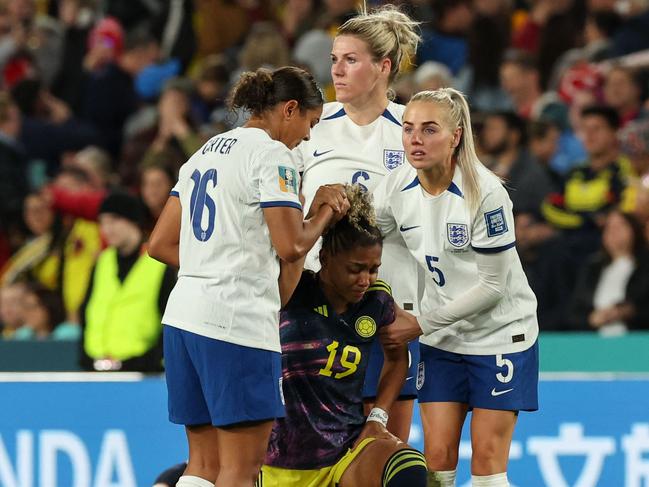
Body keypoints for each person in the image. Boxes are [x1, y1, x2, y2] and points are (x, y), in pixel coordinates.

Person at [147, 66, 349, 487]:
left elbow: (159, 245)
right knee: (241, 471)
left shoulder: (205, 150)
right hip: (235, 324)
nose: (308, 136)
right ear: (290, 109)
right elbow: (292, 245)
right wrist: (324, 209)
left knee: (202, 466)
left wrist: (217, 258)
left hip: (184, 319)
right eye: (310, 123)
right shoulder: (273, 154)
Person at [377, 88, 539, 487]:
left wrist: (420, 322)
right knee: (436, 462)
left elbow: (492, 287)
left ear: (456, 136)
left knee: (486, 463)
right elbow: (369, 239)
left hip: (500, 336)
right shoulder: (396, 186)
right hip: (442, 339)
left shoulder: (485, 193)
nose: (416, 139)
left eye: (429, 129)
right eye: (409, 128)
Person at [296, 4, 422, 442]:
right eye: (334, 60)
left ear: (384, 66)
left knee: (384, 452)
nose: (337, 71)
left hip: (388, 309)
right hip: (313, 313)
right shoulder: (313, 126)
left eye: (350, 60)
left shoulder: (412, 131)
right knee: (309, 452)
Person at [259, 185, 426, 487]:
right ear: (324, 257)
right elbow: (290, 252)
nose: (365, 279)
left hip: (344, 454)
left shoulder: (376, 303)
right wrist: (314, 214)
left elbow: (397, 356)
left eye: (374, 269)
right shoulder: (291, 292)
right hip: (278, 461)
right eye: (355, 269)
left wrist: (377, 416)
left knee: (409, 467)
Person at [79, 190, 175, 371]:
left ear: (133, 220)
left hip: (142, 372)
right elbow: (86, 311)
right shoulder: (102, 262)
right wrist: (85, 357)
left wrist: (153, 361)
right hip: (96, 369)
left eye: (114, 220)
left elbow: (170, 320)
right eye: (103, 222)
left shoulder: (159, 264)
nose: (107, 229)